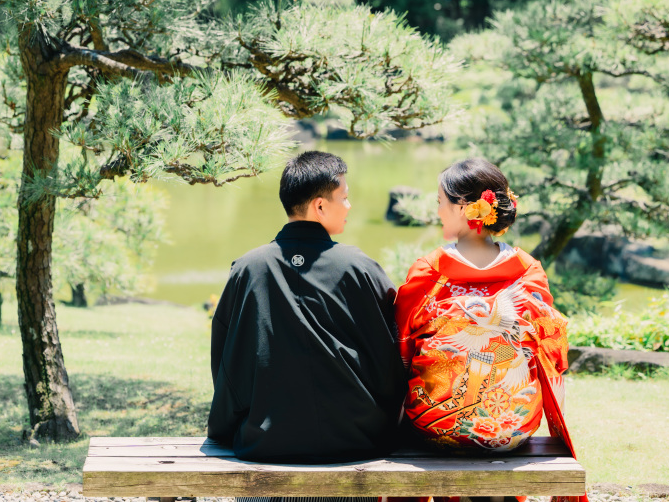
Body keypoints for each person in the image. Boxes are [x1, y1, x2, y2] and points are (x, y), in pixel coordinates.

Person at [208, 150, 406, 465]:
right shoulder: (361, 268)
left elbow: (226, 363)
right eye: (345, 197)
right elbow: (391, 363)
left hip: (265, 442)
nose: (349, 206)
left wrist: (229, 426)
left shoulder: (247, 269)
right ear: (320, 205)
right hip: (357, 442)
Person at [395, 158, 569, 454]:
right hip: (512, 425)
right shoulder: (527, 271)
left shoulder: (431, 270)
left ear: (463, 207)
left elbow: (400, 346)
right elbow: (553, 350)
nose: (438, 211)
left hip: (436, 424)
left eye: (440, 202)